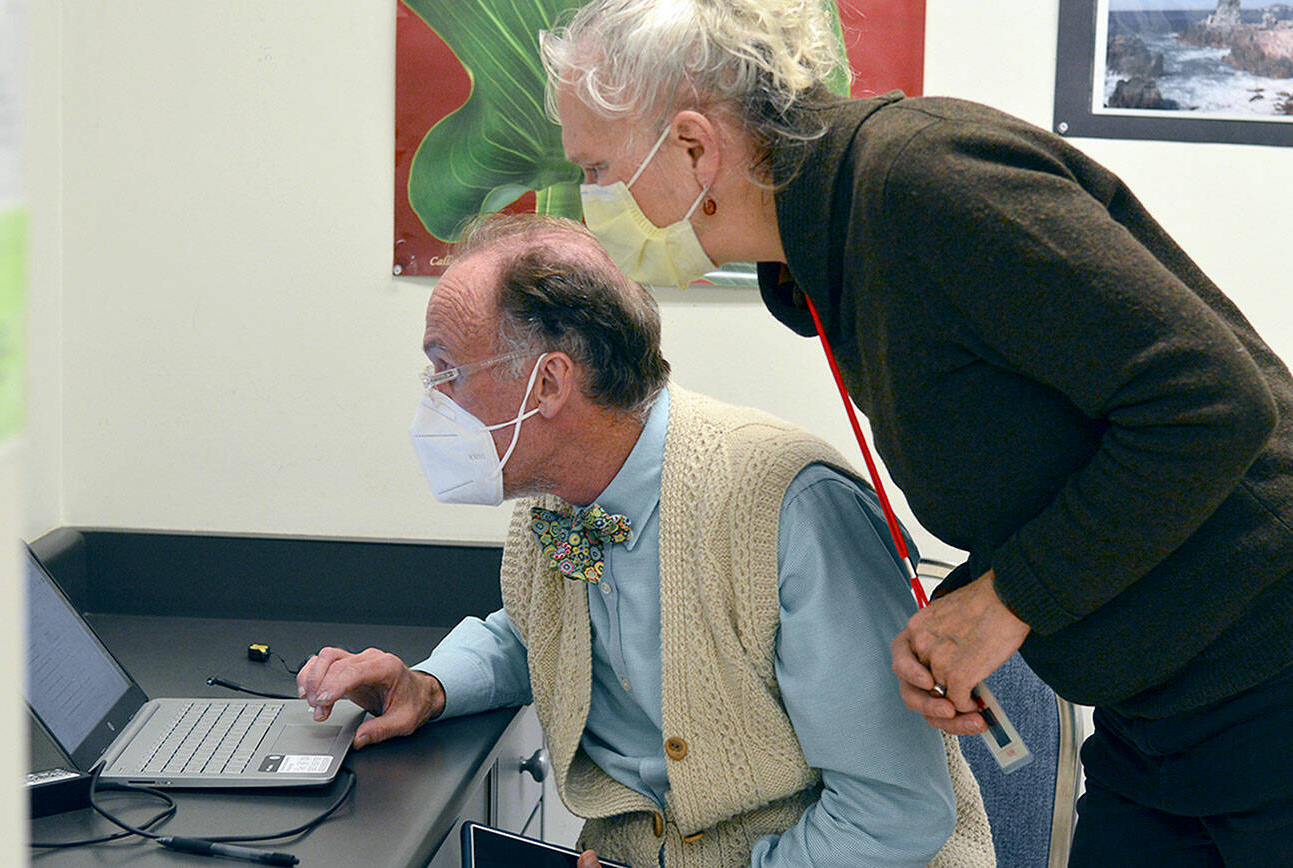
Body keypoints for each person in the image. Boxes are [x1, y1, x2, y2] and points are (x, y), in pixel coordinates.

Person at [539, 1, 1293, 864]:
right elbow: (1049, 454)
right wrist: (966, 607)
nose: (594, 202)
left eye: (598, 169)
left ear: (692, 146)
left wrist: (1010, 602)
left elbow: (1212, 403)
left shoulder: (923, 183)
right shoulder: (830, 251)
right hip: (1157, 717)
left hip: (1265, 681)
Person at [297, 213, 994, 868]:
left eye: (445, 370)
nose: (434, 399)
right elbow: (545, 634)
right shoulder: (563, 497)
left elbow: (895, 813)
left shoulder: (789, 508)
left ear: (549, 383)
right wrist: (427, 685)